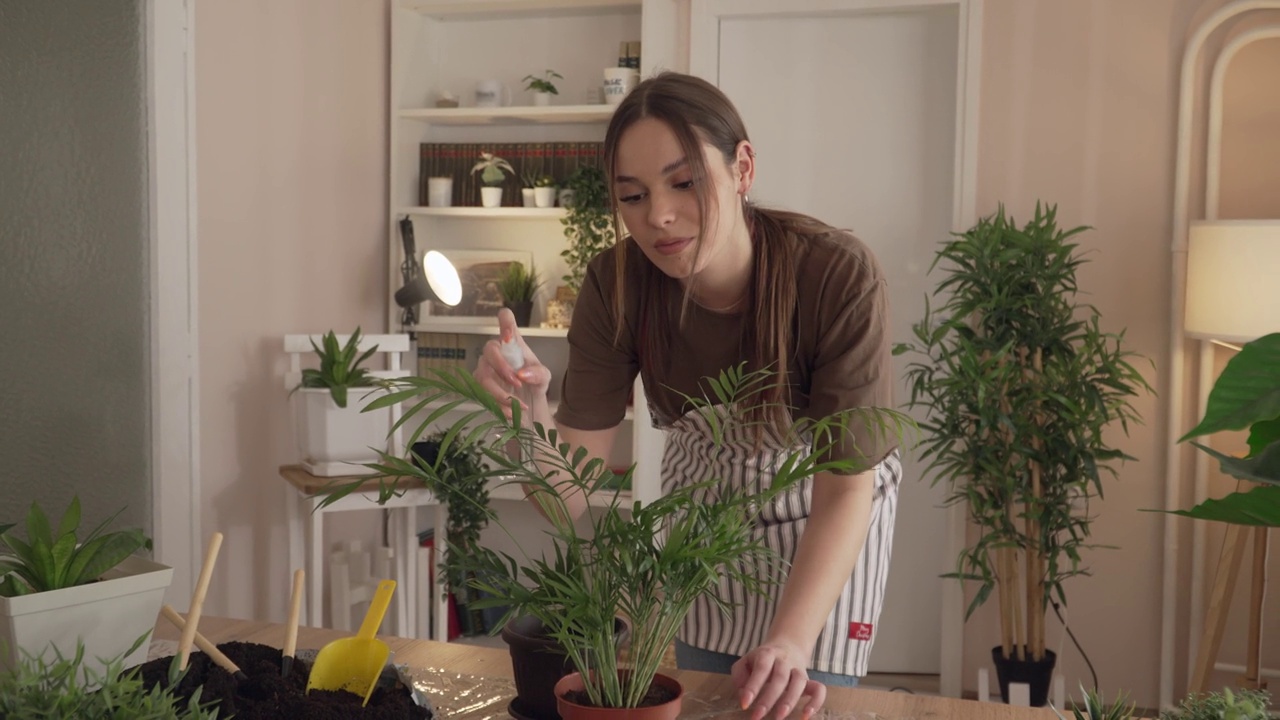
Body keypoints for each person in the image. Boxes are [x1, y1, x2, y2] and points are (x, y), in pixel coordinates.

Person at [474, 71, 901, 720]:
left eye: (684, 182)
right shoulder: (615, 285)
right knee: (711, 708)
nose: (659, 216)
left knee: (800, 701)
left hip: (828, 519)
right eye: (632, 195)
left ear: (742, 167)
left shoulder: (835, 274)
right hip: (708, 533)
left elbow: (845, 488)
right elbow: (566, 497)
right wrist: (529, 417)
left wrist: (789, 641)